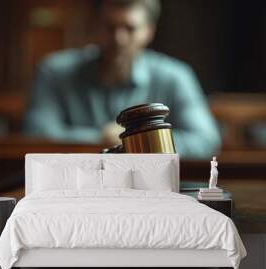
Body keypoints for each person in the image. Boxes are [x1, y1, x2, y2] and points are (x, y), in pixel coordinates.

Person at [23, 0, 221, 159]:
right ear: (96, 26)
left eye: (130, 28)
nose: (119, 38)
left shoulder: (176, 76)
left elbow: (205, 140)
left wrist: (134, 140)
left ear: (149, 31)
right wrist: (101, 138)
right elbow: (38, 133)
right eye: (110, 27)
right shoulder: (54, 71)